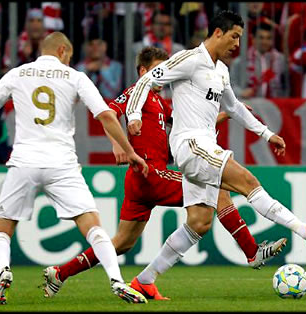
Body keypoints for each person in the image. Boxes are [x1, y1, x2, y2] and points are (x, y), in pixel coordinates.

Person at [41, 46, 286, 300]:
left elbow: (186, 123)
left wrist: (229, 113)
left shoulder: (160, 102)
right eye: (159, 69)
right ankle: (251, 250)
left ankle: (60, 273)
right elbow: (110, 113)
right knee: (216, 187)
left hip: (142, 180)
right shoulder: (137, 91)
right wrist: (117, 145)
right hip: (150, 173)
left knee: (121, 243)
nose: (166, 75)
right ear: (144, 71)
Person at [126, 10, 306, 298]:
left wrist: (266, 133)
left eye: (240, 38)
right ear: (218, 33)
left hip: (204, 147)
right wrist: (134, 114)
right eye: (234, 36)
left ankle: (144, 280)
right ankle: (304, 229)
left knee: (198, 223)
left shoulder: (221, 70)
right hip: (191, 145)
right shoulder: (190, 60)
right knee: (247, 182)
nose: (237, 44)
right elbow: (147, 81)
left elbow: (234, 108)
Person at [0, 32, 148, 305]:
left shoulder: (16, 74)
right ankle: (116, 280)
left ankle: (3, 270)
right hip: (62, 163)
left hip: (24, 163)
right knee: (92, 226)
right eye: (70, 55)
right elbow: (106, 115)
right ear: (63, 50)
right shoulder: (75, 77)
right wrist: (129, 150)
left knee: (2, 229)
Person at [230, 23, 288, 98]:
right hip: (250, 105)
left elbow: (286, 86)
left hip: (274, 106)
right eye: (261, 38)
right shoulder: (240, 62)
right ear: (253, 38)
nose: (265, 42)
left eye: (268, 38)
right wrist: (242, 93)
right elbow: (230, 86)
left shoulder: (280, 60)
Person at [75, 34, 123, 99]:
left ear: (105, 46)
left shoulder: (116, 66)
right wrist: (87, 71)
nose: (95, 48)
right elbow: (77, 94)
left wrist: (103, 70)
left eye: (99, 44)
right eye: (91, 44)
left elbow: (113, 94)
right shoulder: (80, 67)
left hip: (109, 106)